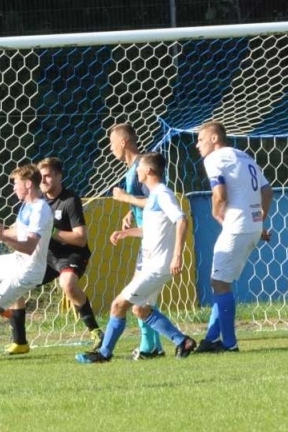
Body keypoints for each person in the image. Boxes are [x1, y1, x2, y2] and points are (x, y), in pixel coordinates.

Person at [76, 153, 198, 363]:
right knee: (140, 309)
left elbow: (181, 220)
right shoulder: (154, 197)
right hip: (151, 265)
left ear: (148, 171)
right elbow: (152, 230)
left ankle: (104, 354)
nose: (137, 171)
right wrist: (126, 233)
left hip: (158, 266)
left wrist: (177, 255)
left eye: (139, 168)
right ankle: (182, 341)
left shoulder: (162, 194)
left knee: (118, 305)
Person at [3, 157, 103, 355]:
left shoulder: (70, 201)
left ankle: (96, 331)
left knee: (67, 284)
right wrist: (1, 233)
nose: (43, 180)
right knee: (16, 282)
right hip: (46, 256)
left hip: (71, 255)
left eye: (48, 176)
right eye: (41, 176)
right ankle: (20, 341)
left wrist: (51, 231)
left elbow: (80, 239)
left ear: (59, 176)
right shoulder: (36, 202)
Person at [0, 164, 55, 367]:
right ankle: (3, 309)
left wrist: (2, 237)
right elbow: (19, 232)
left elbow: (30, 247)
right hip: (17, 260)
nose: (13, 188)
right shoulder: (26, 206)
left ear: (28, 184)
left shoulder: (40, 209)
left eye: (16, 184)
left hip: (29, 269)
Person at [194, 121, 272, 353]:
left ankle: (229, 343)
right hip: (251, 227)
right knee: (222, 281)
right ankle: (211, 339)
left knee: (219, 283)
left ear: (214, 138)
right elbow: (267, 190)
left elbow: (219, 194)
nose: (197, 145)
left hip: (237, 227)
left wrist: (215, 210)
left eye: (200, 139)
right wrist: (259, 219)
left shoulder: (214, 159)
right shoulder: (245, 156)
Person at [106, 122, 164, 359]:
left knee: (137, 295)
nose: (110, 149)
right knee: (142, 296)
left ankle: (152, 346)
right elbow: (144, 201)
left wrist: (125, 198)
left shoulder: (142, 167)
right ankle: (153, 345)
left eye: (112, 143)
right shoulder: (133, 168)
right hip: (147, 237)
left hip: (153, 239)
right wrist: (131, 212)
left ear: (123, 142)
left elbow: (156, 200)